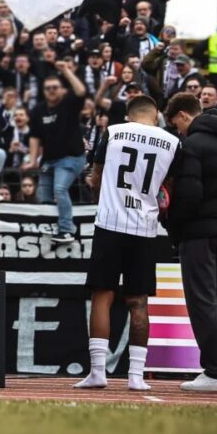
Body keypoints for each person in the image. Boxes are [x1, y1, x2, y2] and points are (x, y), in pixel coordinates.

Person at [75, 94, 178, 392]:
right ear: (155, 113)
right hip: (145, 228)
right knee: (139, 301)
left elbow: (94, 178)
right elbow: (167, 190)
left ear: (129, 114)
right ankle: (136, 376)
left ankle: (97, 372)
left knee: (102, 296)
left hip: (110, 222)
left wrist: (104, 200)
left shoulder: (114, 132)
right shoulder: (172, 141)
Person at [165, 93, 217, 393]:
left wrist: (170, 224)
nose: (178, 131)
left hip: (199, 234)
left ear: (184, 115)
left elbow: (188, 196)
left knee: (203, 302)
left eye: (177, 124)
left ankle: (214, 371)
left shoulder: (192, 146)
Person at [27, 62, 88, 244]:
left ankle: (66, 230)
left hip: (71, 158)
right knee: (43, 195)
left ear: (62, 90)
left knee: (60, 189)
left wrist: (66, 71)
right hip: (49, 160)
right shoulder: (38, 109)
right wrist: (32, 160)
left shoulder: (69, 103)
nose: (51, 91)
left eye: (55, 88)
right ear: (43, 91)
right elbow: (34, 136)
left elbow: (81, 91)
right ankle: (47, 228)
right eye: (48, 88)